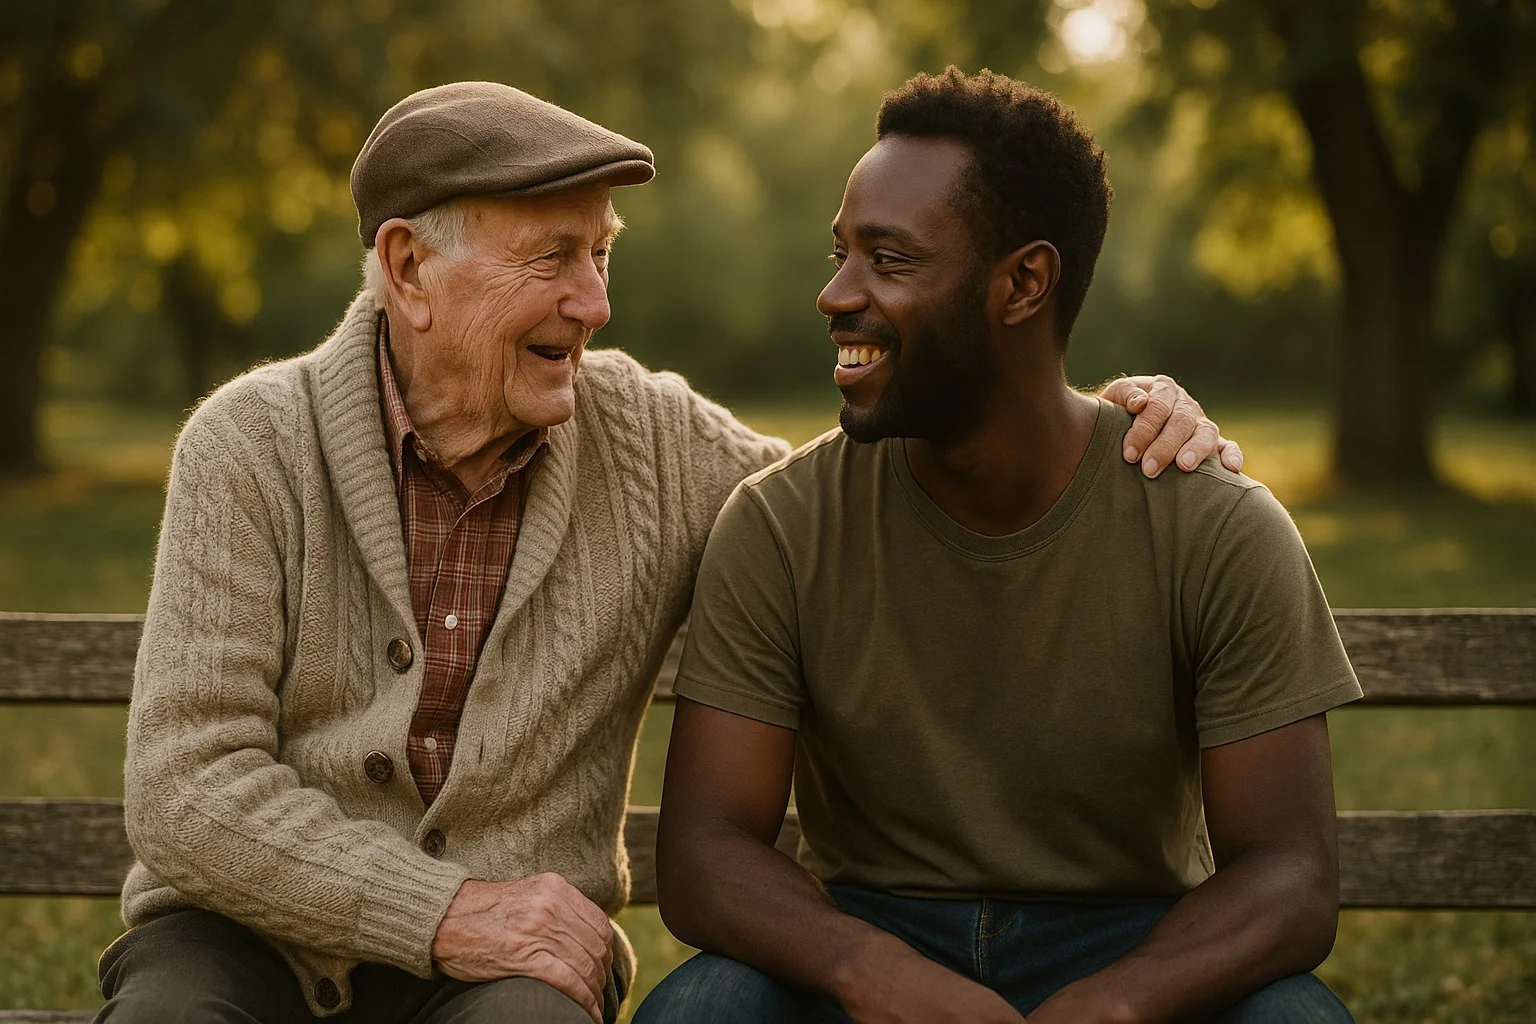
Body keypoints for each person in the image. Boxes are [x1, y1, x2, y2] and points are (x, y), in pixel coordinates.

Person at [99, 81, 1239, 1024]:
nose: (594, 304)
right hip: (240, 941)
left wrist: (1103, 419)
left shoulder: (650, 443)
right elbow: (185, 787)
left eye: (603, 255)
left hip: (513, 979)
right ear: (406, 270)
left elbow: (866, 501)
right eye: (553, 258)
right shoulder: (249, 446)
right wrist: (442, 910)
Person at [638, 67, 1360, 1024]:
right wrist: (872, 973)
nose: (835, 295)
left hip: (1135, 939)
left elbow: (1291, 873)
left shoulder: (1214, 525)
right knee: (704, 1013)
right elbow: (704, 855)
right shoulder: (781, 522)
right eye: (841, 253)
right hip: (862, 937)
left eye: (887, 260)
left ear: (1024, 282)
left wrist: (1111, 1007)